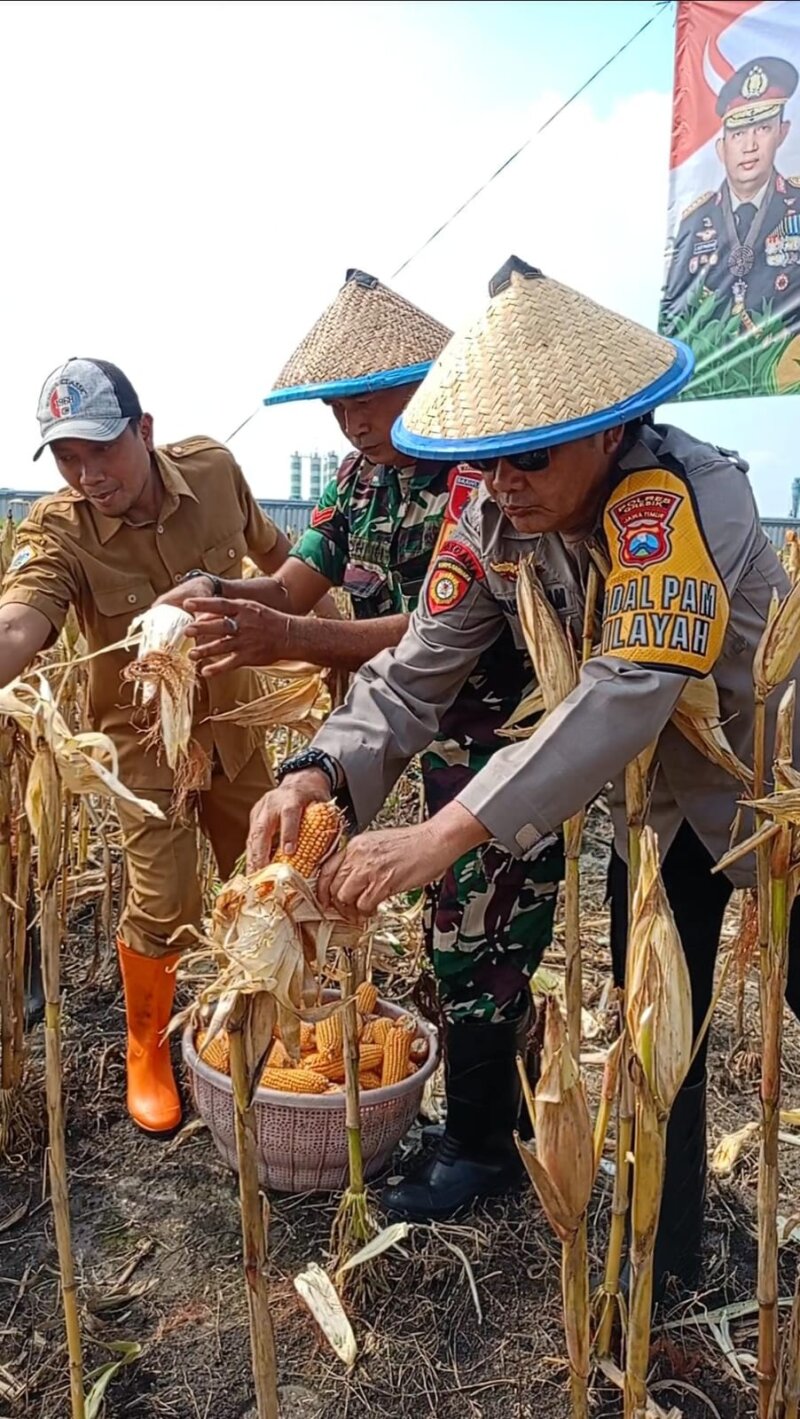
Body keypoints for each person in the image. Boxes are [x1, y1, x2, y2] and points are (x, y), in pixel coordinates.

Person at [248, 256, 800, 1293]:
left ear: (604, 428)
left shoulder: (677, 495)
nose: (504, 485)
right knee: (654, 1032)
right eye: (487, 461)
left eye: (530, 460)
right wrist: (318, 772)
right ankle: (662, 1263)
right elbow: (416, 670)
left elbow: (625, 687)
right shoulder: (489, 514)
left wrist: (446, 830)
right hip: (663, 812)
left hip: (773, 784)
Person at [165, 269, 565, 1220]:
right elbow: (297, 588)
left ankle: (482, 1144)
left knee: (478, 925)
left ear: (430, 379)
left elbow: (435, 631)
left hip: (488, 736)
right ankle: (475, 1112)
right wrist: (220, 597)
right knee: (417, 916)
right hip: (387, 729)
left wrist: (298, 642)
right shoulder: (358, 480)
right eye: (337, 403)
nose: (351, 419)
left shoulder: (484, 476)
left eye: (369, 396)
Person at [0, 358, 300, 1137]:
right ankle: (148, 1047)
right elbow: (19, 625)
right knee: (166, 902)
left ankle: (255, 1017)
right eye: (67, 458)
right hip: (144, 748)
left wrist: (334, 646)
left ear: (145, 431)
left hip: (233, 724)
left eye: (101, 450)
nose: (87, 474)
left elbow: (286, 564)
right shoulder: (59, 529)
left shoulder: (216, 471)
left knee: (265, 878)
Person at [662, 55, 800, 335]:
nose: (749, 146)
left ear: (782, 134)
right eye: (738, 134)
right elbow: (678, 312)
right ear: (721, 148)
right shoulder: (694, 222)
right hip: (712, 373)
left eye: (762, 129)